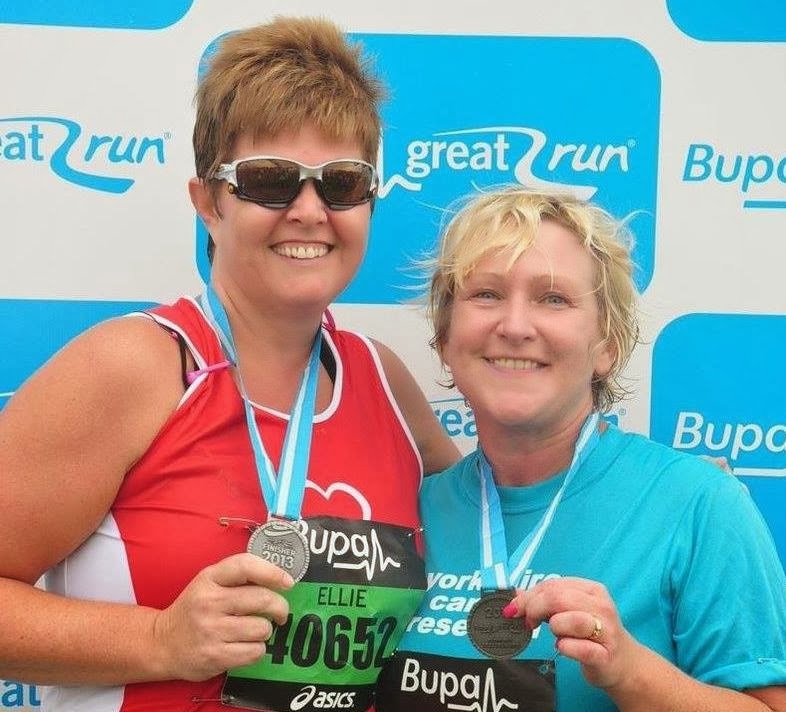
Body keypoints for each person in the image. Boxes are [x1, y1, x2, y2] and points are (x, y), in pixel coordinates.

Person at [0, 17, 459, 712]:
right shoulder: (134, 367)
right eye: (270, 181)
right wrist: (161, 640)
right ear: (208, 203)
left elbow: (492, 538)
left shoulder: (383, 379)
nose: (309, 211)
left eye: (341, 183)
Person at [375, 187, 786, 711]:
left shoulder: (698, 504)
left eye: (554, 299)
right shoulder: (409, 512)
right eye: (487, 294)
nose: (515, 326)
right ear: (445, 337)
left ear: (606, 345)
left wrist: (630, 671)